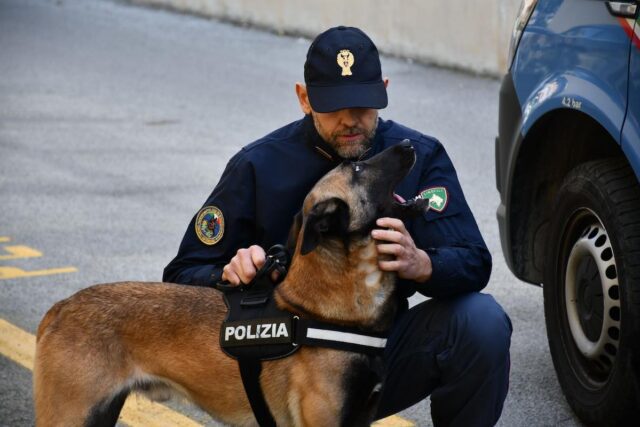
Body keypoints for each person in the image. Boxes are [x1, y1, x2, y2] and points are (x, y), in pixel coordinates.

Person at [164, 26, 512, 427]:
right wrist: (225, 272)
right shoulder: (257, 166)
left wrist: (422, 263)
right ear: (304, 98)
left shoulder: (415, 157)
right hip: (280, 367)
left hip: (378, 354)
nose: (350, 120)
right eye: (333, 106)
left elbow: (473, 261)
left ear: (383, 89)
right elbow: (178, 276)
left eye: (363, 105)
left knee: (480, 323)